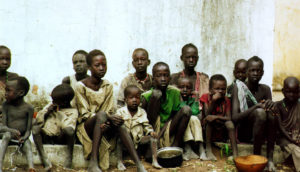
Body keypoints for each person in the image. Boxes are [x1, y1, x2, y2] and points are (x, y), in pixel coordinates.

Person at [74, 49, 146, 172]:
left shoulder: (107, 85)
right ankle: (93, 163)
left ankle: (139, 165)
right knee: (101, 114)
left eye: (104, 64)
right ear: (89, 67)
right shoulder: (80, 86)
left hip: (103, 123)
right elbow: (84, 114)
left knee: (120, 124)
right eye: (97, 65)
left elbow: (108, 110)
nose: (102, 68)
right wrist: (105, 117)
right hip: (86, 127)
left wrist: (109, 120)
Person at [231, 56, 276, 171]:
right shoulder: (238, 88)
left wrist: (271, 105)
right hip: (244, 132)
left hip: (261, 132)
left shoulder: (265, 89)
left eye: (258, 70)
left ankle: (270, 159)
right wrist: (256, 107)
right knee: (260, 113)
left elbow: (270, 114)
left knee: (271, 114)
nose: (255, 73)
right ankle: (256, 157)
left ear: (263, 72)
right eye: (252, 70)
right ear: (246, 72)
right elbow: (235, 118)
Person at [141, 62, 191, 148]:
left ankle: (176, 144)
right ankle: (152, 145)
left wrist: (160, 134)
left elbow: (173, 116)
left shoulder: (175, 92)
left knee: (186, 109)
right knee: (157, 94)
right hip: (151, 130)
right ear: (153, 79)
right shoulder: (147, 96)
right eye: (159, 76)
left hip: (169, 127)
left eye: (166, 75)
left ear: (170, 78)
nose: (163, 79)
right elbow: (144, 120)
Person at [32, 84, 78, 170]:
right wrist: (47, 113)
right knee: (35, 129)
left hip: (60, 138)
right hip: (47, 136)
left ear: (64, 102)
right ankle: (44, 159)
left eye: (55, 101)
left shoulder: (73, 111)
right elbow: (39, 120)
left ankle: (69, 158)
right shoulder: (50, 106)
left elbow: (67, 127)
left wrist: (59, 114)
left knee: (69, 131)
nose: (53, 102)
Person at [115, 85, 161, 170]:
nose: (134, 100)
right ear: (125, 100)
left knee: (152, 138)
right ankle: (120, 162)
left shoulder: (142, 112)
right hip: (126, 142)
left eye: (137, 97)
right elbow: (116, 126)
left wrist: (150, 132)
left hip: (138, 140)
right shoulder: (120, 112)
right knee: (119, 140)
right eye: (131, 98)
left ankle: (155, 160)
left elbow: (146, 125)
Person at [0, 76, 35, 172]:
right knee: (7, 135)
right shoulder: (6, 105)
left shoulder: (29, 108)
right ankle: (0, 166)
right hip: (7, 135)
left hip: (20, 138)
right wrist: (11, 131)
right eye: (5, 90)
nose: (5, 93)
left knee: (27, 143)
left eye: (8, 91)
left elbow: (28, 130)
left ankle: (31, 167)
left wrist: (25, 137)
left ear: (21, 93)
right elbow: (3, 127)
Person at [200, 74, 238, 160]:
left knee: (230, 124)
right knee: (210, 121)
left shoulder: (226, 100)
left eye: (223, 89)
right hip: (208, 129)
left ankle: (235, 154)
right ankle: (208, 150)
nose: (220, 91)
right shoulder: (205, 97)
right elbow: (207, 115)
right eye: (217, 89)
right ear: (210, 90)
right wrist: (213, 101)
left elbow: (229, 118)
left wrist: (216, 117)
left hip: (221, 129)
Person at [274, 77, 300, 172]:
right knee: (296, 151)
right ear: (283, 91)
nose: (292, 95)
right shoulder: (278, 106)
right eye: (289, 92)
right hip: (285, 140)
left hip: (297, 137)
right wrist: (292, 140)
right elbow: (280, 127)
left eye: (295, 92)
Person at [177, 77, 207, 160]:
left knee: (193, 118)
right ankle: (188, 148)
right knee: (185, 117)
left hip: (192, 125)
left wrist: (197, 98)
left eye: (188, 88)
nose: (185, 90)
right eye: (181, 87)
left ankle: (201, 149)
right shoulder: (176, 99)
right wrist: (180, 99)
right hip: (179, 128)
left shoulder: (192, 100)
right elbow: (182, 111)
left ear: (192, 90)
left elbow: (194, 112)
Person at [0, 46, 18, 116]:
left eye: (8, 59)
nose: (5, 62)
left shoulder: (14, 77)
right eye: (1, 59)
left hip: (11, 114)